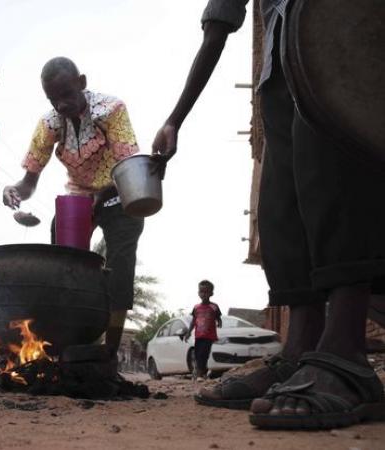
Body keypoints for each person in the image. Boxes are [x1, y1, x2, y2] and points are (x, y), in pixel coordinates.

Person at [152, 0, 385, 429]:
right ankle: (301, 348)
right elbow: (218, 26)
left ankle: (345, 347)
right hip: (280, 64)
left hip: (339, 29)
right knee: (281, 204)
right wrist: (175, 119)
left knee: (333, 168)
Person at [2, 57, 143, 353]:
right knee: (65, 266)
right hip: (79, 196)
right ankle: (68, 342)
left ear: (82, 82)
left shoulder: (111, 110)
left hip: (119, 190)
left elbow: (129, 166)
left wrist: (100, 198)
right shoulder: (49, 124)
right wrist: (14, 191)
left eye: (66, 94)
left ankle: (109, 352)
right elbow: (29, 182)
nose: (61, 105)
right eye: (53, 99)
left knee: (120, 269)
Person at [184, 280, 222, 380]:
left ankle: (200, 374)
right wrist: (188, 333)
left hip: (209, 336)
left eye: (206, 292)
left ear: (211, 293)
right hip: (198, 336)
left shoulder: (214, 306)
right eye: (201, 292)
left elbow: (218, 317)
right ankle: (203, 373)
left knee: (203, 354)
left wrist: (219, 322)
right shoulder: (196, 308)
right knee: (197, 355)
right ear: (198, 293)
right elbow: (193, 321)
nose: (203, 294)